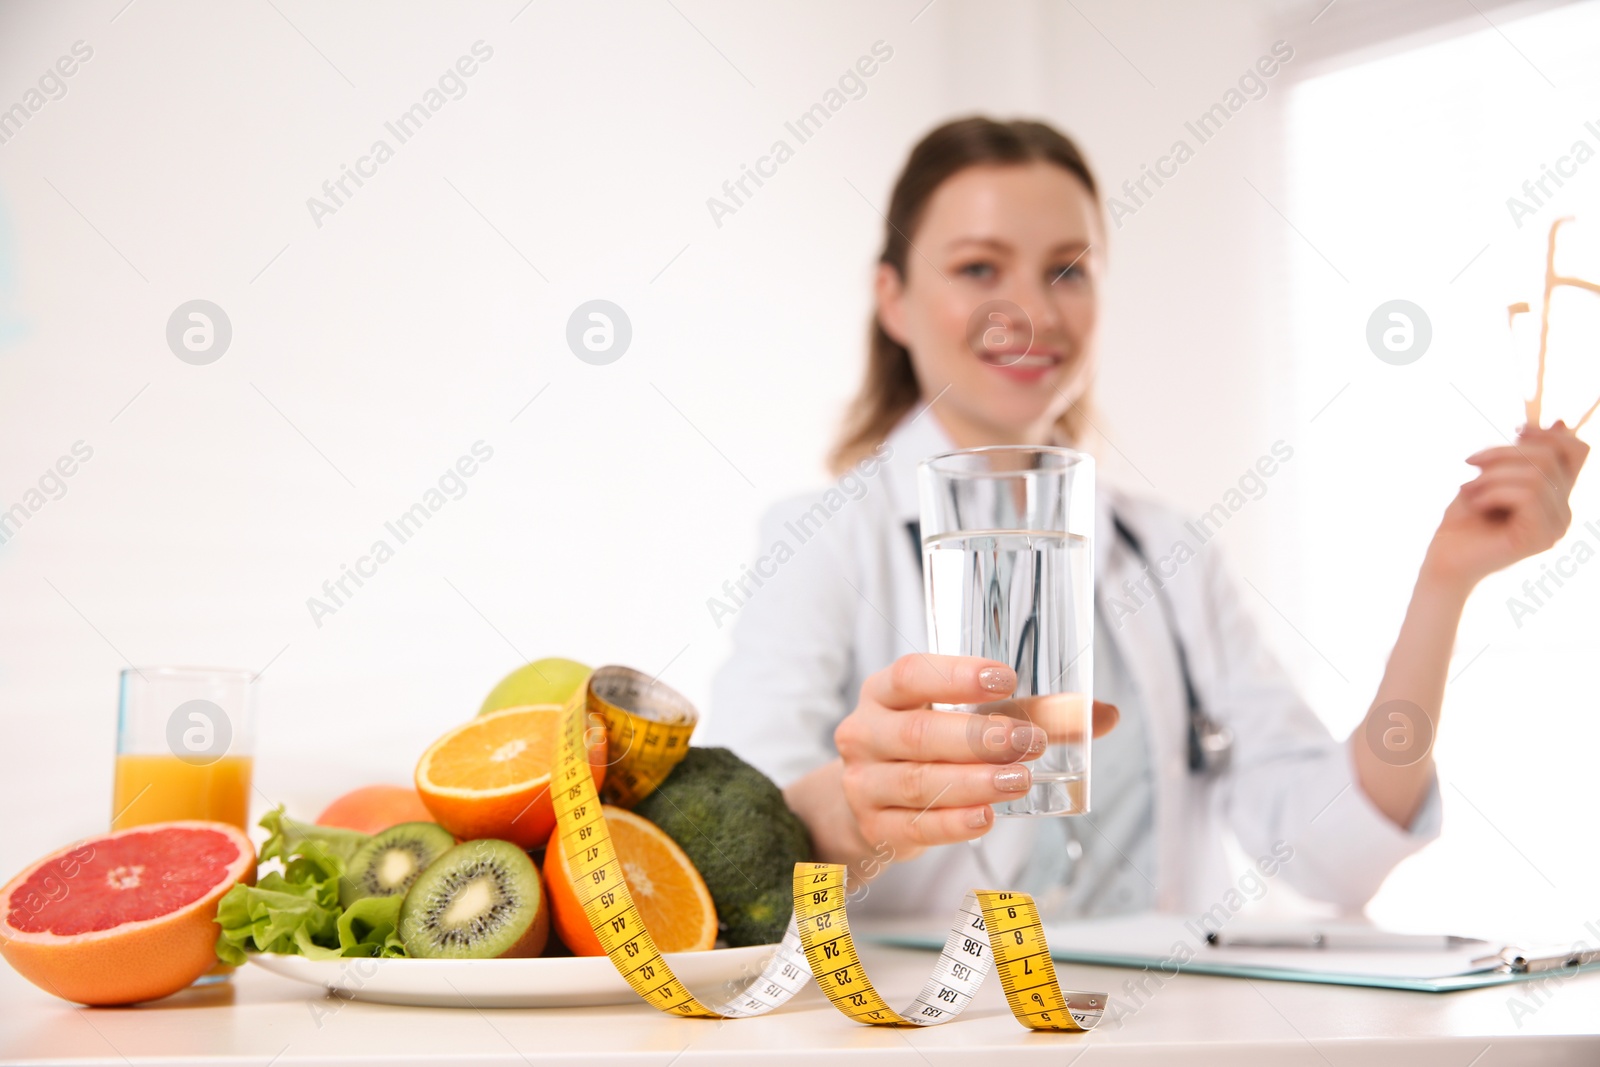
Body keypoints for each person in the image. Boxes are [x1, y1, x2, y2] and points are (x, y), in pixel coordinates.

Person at [705, 116, 1589, 918]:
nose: (1034, 312)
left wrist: (1447, 583)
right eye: (979, 267)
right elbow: (741, 842)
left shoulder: (1164, 550)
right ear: (892, 297)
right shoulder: (819, 540)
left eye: (1068, 270)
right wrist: (860, 807)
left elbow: (1332, 851)